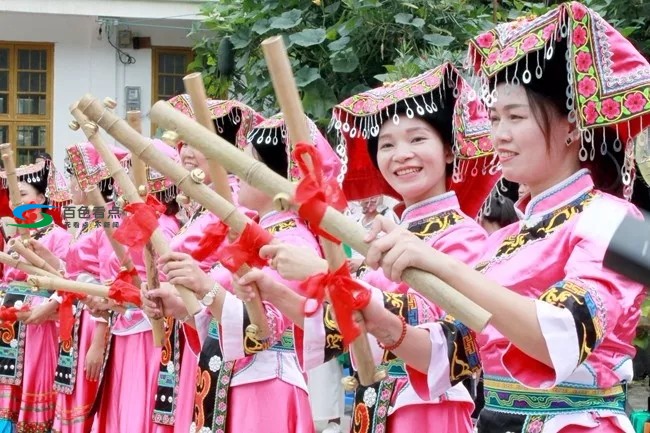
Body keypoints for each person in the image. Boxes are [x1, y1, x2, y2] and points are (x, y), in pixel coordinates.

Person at [351, 3, 649, 432]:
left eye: (515, 117)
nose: (500, 135)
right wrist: (380, 321)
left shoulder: (623, 222)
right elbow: (456, 354)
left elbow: (563, 335)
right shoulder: (503, 241)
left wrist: (442, 264)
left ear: (573, 125)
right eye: (494, 119)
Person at [235, 62, 499, 433]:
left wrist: (322, 273)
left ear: (449, 151)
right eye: (387, 145)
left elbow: (434, 327)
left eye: (417, 139)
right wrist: (275, 291)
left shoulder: (463, 237)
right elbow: (344, 329)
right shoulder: (385, 237)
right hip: (375, 406)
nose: (401, 154)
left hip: (426, 411)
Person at [145, 113, 341, 433]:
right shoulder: (257, 235)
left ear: (276, 178)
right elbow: (221, 311)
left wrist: (204, 284)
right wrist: (181, 303)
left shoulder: (291, 241)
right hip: (237, 380)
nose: (238, 172)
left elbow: (264, 330)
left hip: (265, 385)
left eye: (248, 163)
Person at [92, 139, 181, 433]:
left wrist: (123, 298)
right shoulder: (132, 222)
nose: (120, 183)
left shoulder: (163, 229)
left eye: (129, 172)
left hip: (149, 334)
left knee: (138, 410)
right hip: (126, 327)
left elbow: (163, 291)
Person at [51, 142, 130, 433]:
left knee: (88, 397)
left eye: (74, 177)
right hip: (82, 317)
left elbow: (111, 283)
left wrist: (98, 341)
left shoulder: (110, 222)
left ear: (92, 181)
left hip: (97, 320)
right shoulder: (90, 220)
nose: (70, 184)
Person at [0, 159, 72, 433]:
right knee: (9, 384)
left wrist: (42, 309)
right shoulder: (14, 238)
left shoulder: (59, 237)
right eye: (14, 195)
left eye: (25, 195)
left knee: (34, 377)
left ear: (41, 199)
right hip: (10, 320)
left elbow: (65, 282)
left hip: (38, 319)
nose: (18, 200)